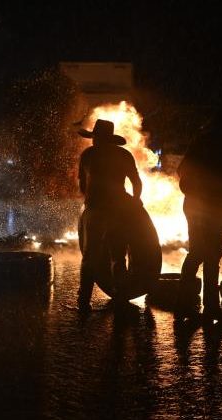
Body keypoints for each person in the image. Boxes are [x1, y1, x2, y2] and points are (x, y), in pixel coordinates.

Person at [175, 107, 222, 323]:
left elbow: (184, 171)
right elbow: (221, 183)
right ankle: (196, 306)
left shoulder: (205, 143)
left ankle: (197, 306)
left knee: (205, 254)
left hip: (203, 206)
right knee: (203, 254)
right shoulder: (214, 146)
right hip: (204, 207)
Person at [77, 119, 142, 313]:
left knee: (89, 256)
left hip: (95, 209)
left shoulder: (88, 155)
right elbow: (136, 183)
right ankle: (121, 296)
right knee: (118, 256)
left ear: (97, 137)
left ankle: (84, 301)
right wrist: (136, 201)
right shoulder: (123, 155)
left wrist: (89, 199)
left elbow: (82, 185)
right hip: (119, 210)